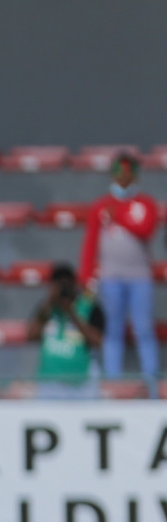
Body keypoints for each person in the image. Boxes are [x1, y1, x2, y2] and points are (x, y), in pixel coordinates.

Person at [78, 153, 159, 393]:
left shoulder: (145, 204)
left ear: (135, 175)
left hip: (140, 277)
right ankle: (112, 385)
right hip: (110, 278)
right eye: (119, 174)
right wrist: (86, 275)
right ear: (113, 175)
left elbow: (146, 229)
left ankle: (151, 385)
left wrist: (119, 215)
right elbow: (90, 243)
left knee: (144, 329)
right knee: (112, 331)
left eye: (128, 174)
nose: (123, 179)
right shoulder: (100, 207)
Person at [30, 263, 107, 399]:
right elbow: (31, 335)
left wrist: (72, 313)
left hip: (81, 385)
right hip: (49, 384)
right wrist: (49, 302)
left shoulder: (89, 307)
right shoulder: (46, 309)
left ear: (74, 285)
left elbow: (98, 341)